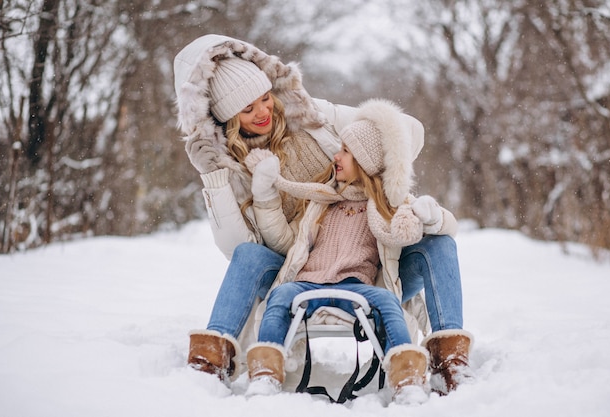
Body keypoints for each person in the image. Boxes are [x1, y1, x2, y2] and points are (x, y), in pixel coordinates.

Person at [174, 34, 471, 395]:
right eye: (248, 109)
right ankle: (211, 361)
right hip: (296, 266)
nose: (264, 112)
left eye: (265, 98)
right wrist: (226, 182)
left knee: (439, 244)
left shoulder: (314, 115)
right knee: (247, 255)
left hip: (372, 265)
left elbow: (410, 132)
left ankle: (449, 363)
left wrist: (382, 179)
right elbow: (238, 248)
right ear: (228, 120)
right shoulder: (228, 167)